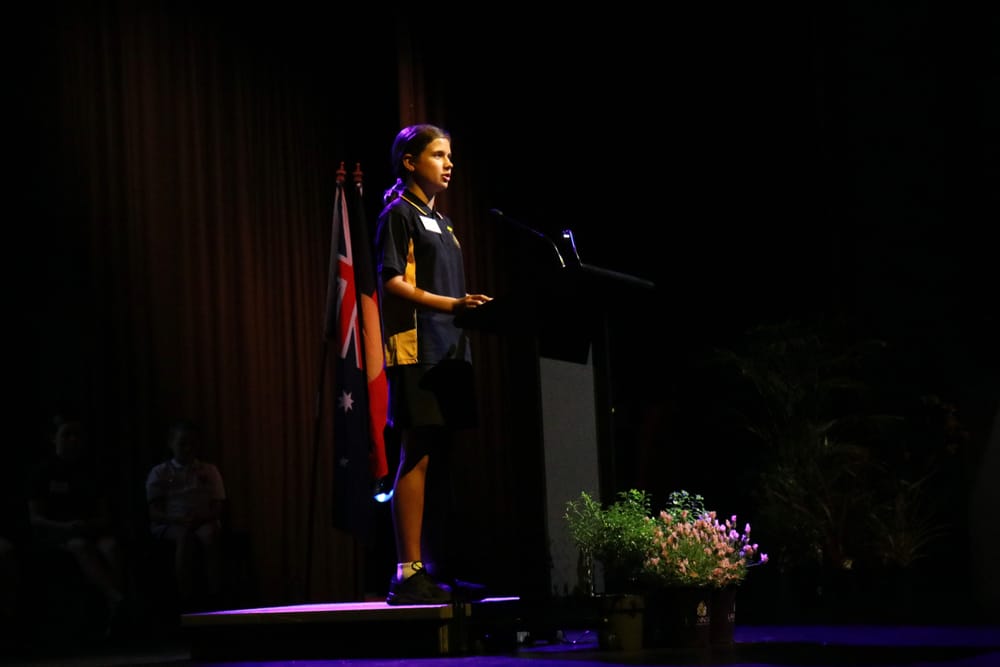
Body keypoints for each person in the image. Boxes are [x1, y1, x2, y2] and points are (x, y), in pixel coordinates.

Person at [375, 123, 492, 605]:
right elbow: (392, 283)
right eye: (439, 154)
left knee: (441, 456)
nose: (449, 164)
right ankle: (407, 570)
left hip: (450, 352)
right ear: (410, 162)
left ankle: (437, 566)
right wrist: (452, 306)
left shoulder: (442, 223)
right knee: (417, 452)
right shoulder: (398, 214)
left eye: (450, 156)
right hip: (418, 348)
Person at [27, 414, 127, 632]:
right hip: (55, 532)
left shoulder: (93, 471)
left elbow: (104, 515)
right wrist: (63, 527)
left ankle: (116, 609)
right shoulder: (42, 472)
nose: (73, 440)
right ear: (54, 438)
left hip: (89, 529)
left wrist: (90, 524)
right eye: (66, 434)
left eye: (77, 435)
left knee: (111, 547)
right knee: (79, 546)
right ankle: (117, 598)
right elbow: (35, 517)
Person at [145, 419, 226, 611]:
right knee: (184, 537)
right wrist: (178, 520)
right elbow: (154, 512)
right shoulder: (159, 472)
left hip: (202, 520)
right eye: (182, 443)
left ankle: (216, 595)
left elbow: (218, 506)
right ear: (171, 444)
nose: (188, 449)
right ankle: (185, 599)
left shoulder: (209, 470)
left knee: (210, 535)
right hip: (171, 523)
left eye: (192, 444)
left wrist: (201, 518)